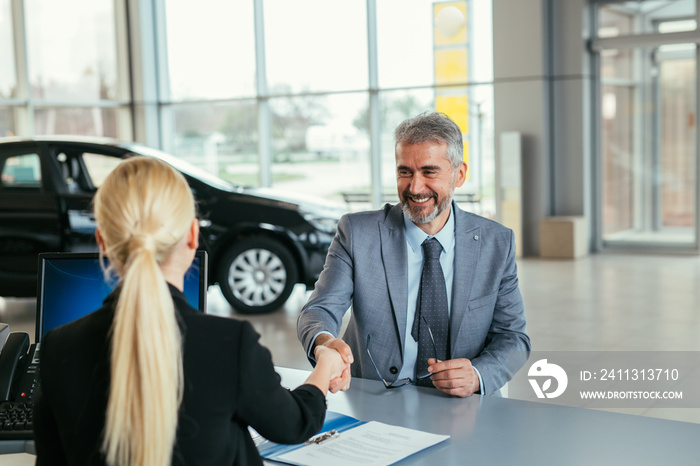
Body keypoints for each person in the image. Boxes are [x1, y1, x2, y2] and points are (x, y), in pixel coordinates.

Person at [33, 157, 345, 466]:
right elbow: (294, 423)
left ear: (103, 242)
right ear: (193, 235)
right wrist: (325, 363)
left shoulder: (57, 348)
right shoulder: (229, 343)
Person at [298, 112, 531, 397]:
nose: (415, 187)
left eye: (429, 172)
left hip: (463, 405)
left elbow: (514, 338)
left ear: (459, 174)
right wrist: (324, 342)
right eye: (404, 171)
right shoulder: (357, 233)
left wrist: (478, 375)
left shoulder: (497, 242)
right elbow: (319, 310)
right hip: (375, 400)